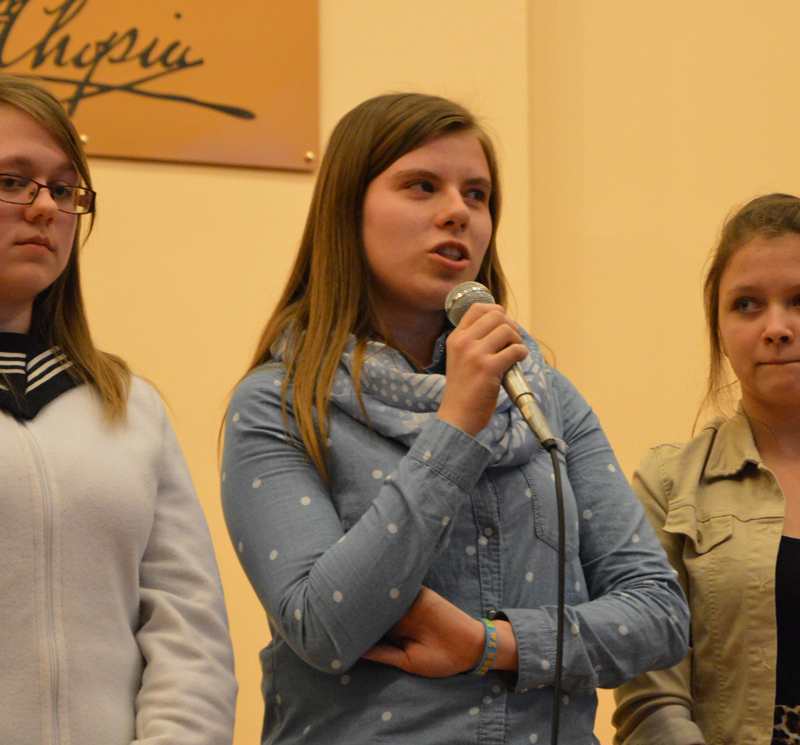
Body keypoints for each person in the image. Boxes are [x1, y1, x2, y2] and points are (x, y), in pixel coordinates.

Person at [221, 91, 689, 745]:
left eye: (477, 195)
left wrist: (491, 644)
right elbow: (322, 628)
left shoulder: (545, 397)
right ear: (348, 210)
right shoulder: (277, 403)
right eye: (422, 186)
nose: (457, 213)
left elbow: (660, 614)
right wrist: (456, 425)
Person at [0, 73, 237, 744]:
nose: (44, 208)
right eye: (13, 181)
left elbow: (189, 632)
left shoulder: (129, 407)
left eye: (63, 189)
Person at [613, 193, 800, 745]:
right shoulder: (669, 484)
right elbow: (652, 699)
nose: (777, 327)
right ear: (718, 327)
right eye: (747, 304)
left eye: (799, 300)